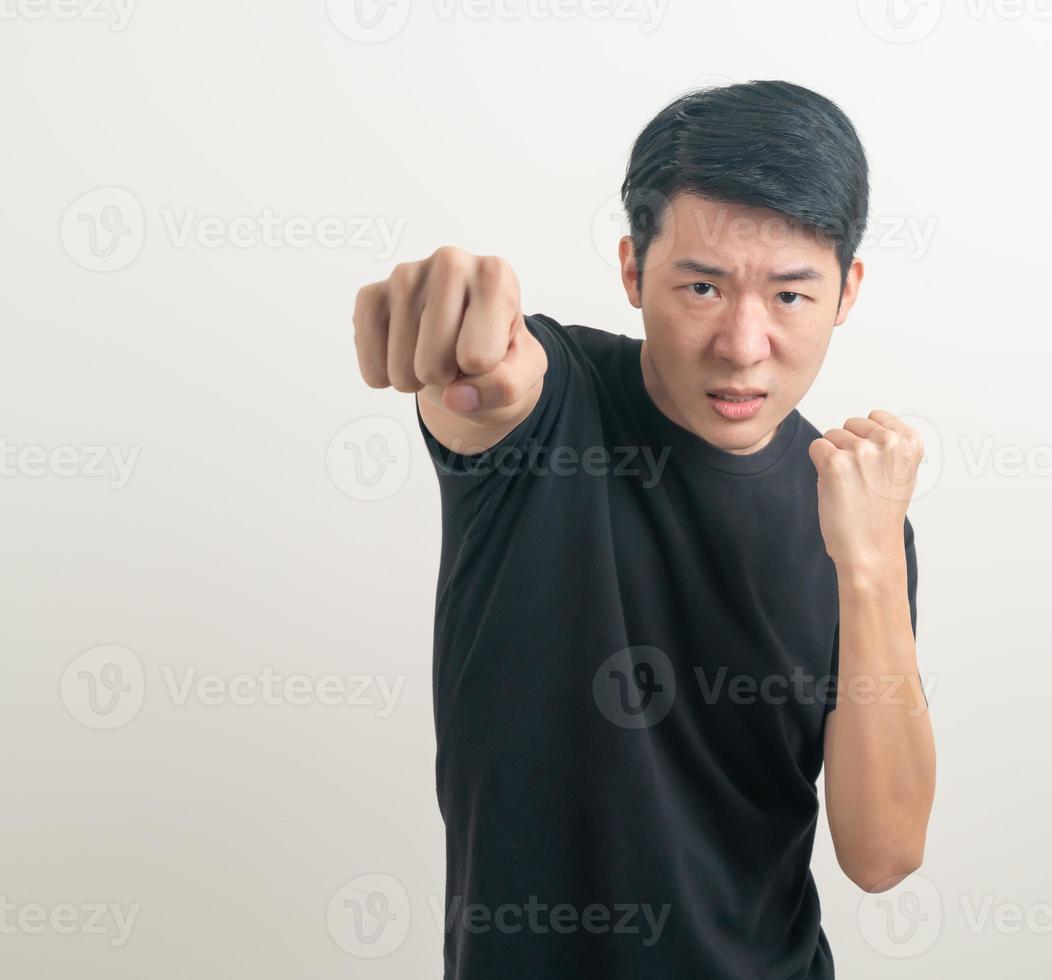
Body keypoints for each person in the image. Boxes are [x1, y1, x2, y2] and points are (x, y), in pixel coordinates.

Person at [351, 79, 936, 980]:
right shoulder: (555, 409)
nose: (743, 344)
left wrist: (869, 565)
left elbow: (883, 852)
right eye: (701, 286)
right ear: (632, 270)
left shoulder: (858, 514)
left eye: (789, 296)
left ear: (847, 292)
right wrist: (458, 325)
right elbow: (492, 387)